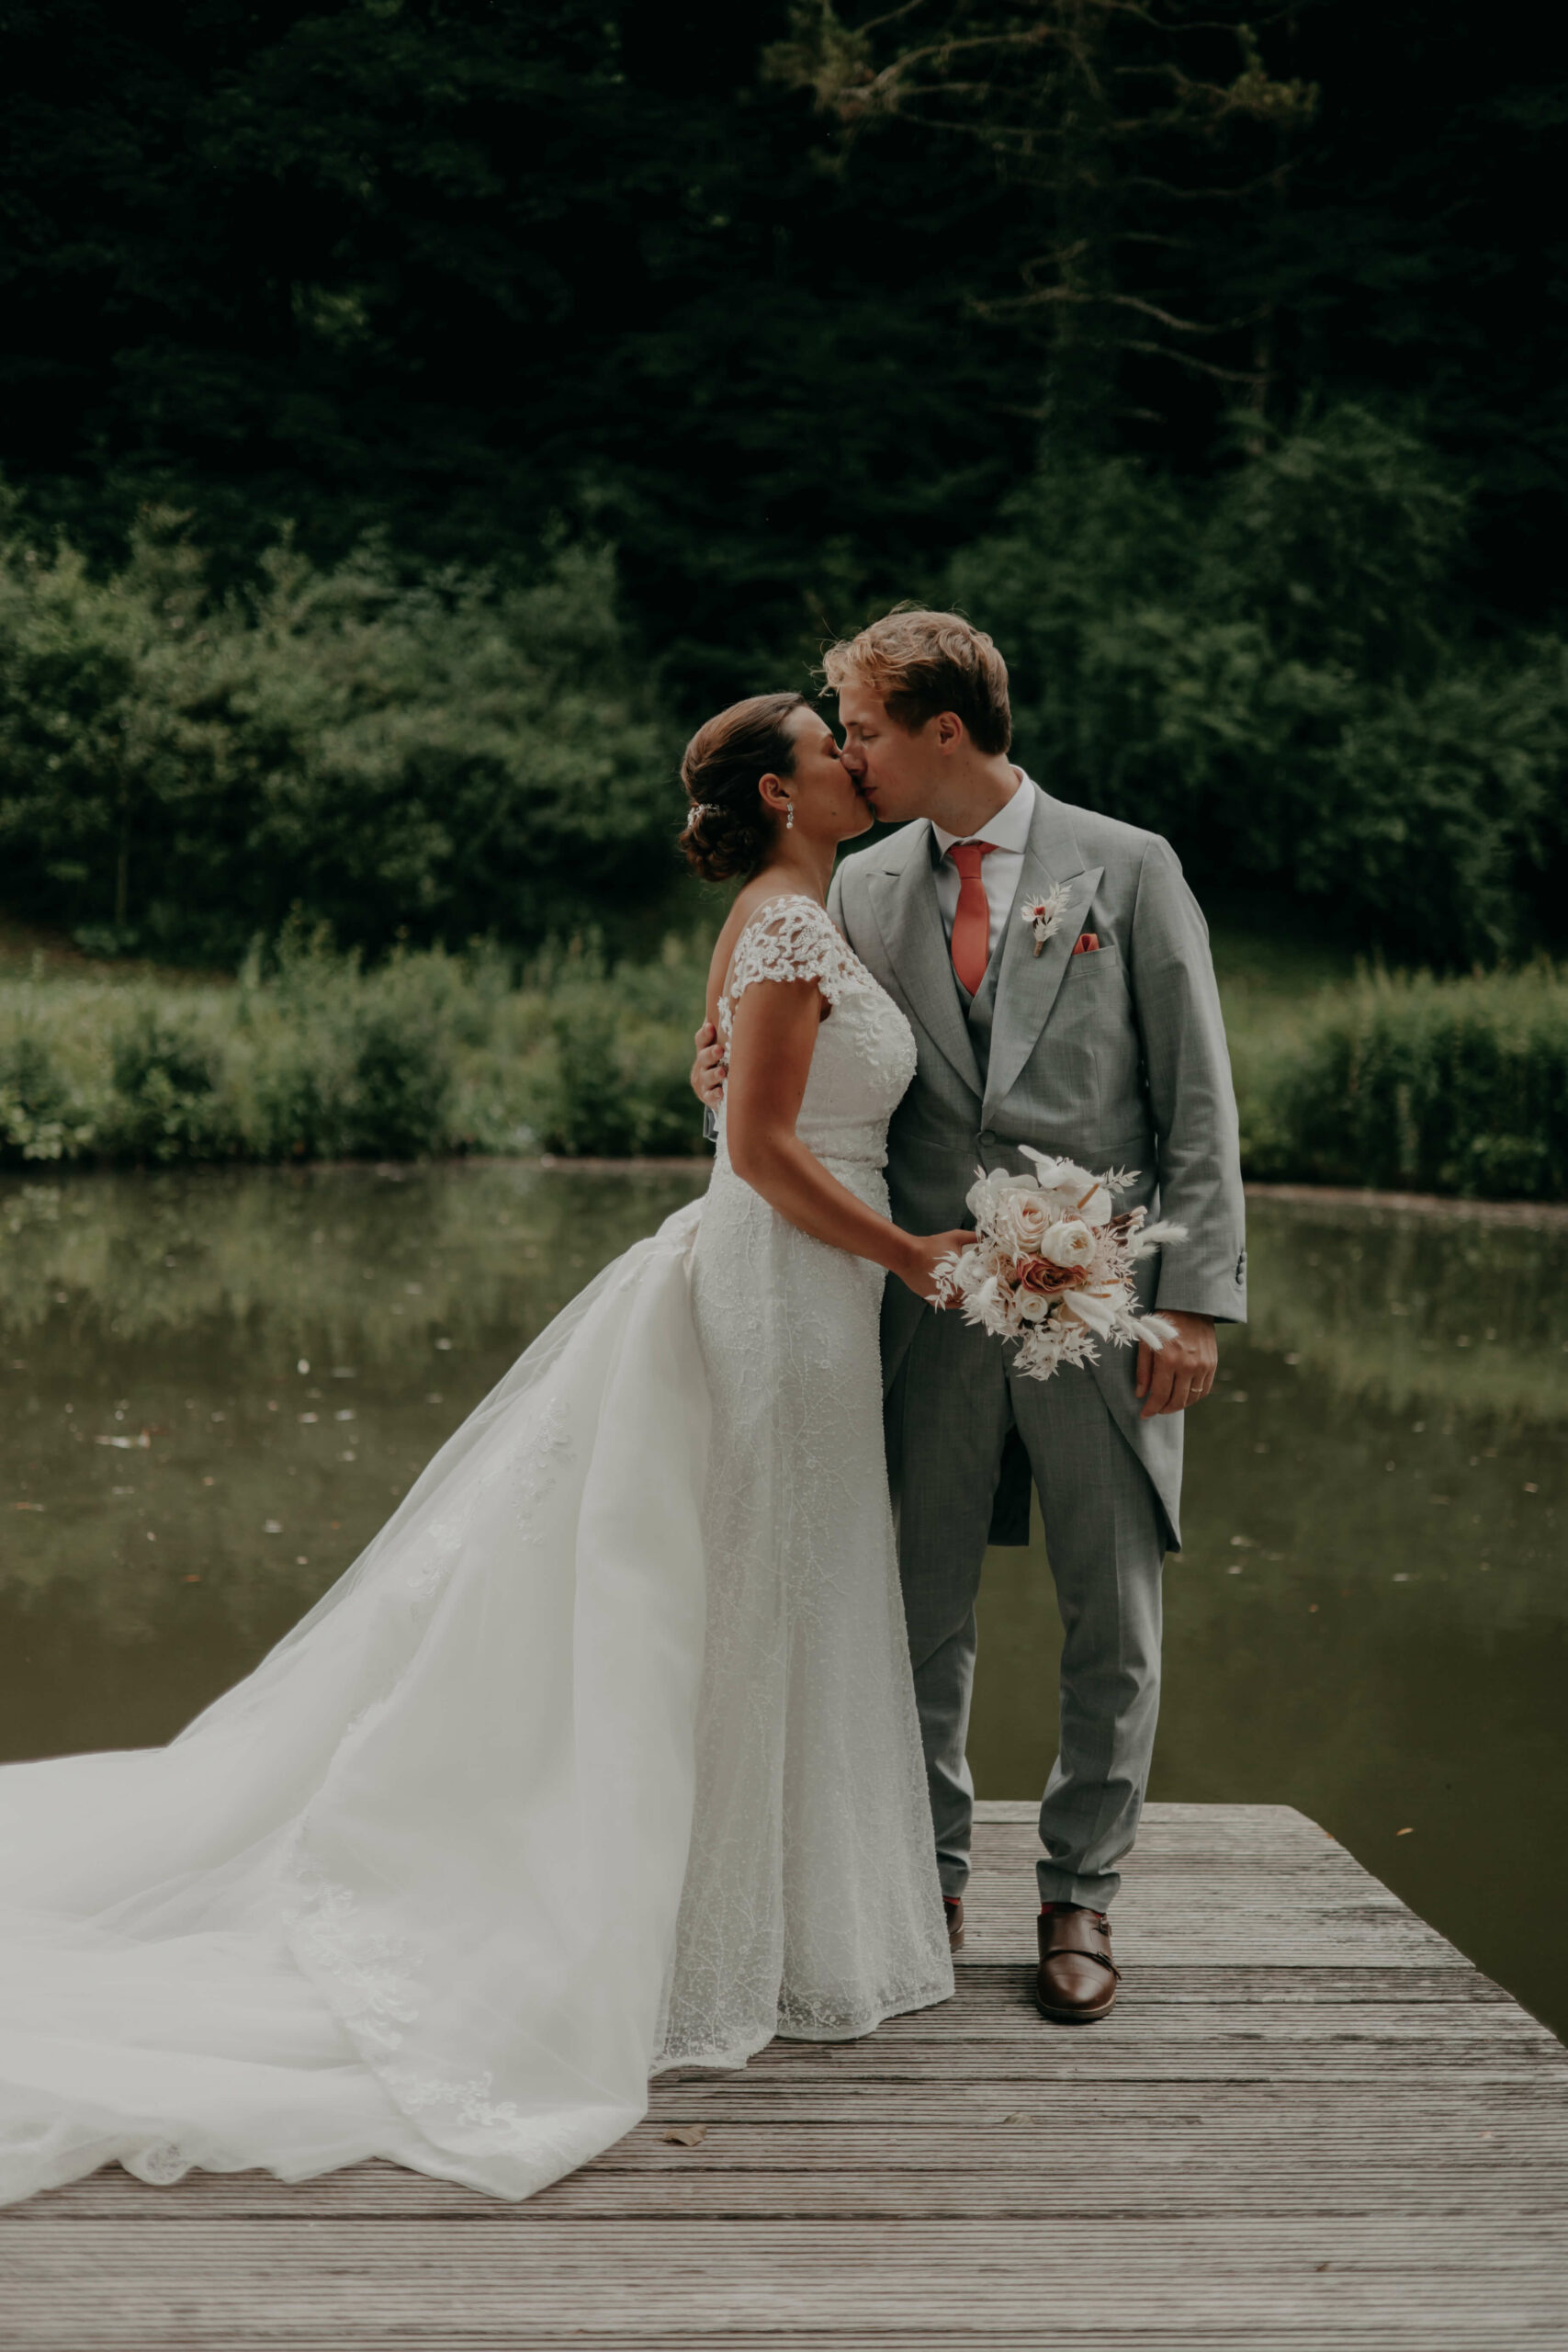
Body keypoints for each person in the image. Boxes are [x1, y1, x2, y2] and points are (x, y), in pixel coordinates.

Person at [0, 691, 962, 2210]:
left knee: (788, 1580)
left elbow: (725, 1100)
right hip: (790, 1284)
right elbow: (766, 1149)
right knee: (763, 1570)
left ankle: (770, 1925)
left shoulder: (809, 911)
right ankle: (698, 1935)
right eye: (829, 746)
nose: (855, 756)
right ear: (784, 793)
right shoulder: (786, 922)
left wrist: (788, 1156)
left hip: (811, 1285)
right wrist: (913, 1254)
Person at [694, 610, 1246, 2024]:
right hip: (917, 1304)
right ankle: (923, 1880)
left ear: (946, 731)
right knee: (913, 1610)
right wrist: (710, 1061)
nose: (852, 751)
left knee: (1110, 1610)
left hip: (1100, 1301)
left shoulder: (1130, 869)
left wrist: (1196, 1306)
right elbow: (776, 1062)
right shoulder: (854, 888)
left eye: (864, 726)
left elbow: (1199, 1104)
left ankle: (1080, 1896)